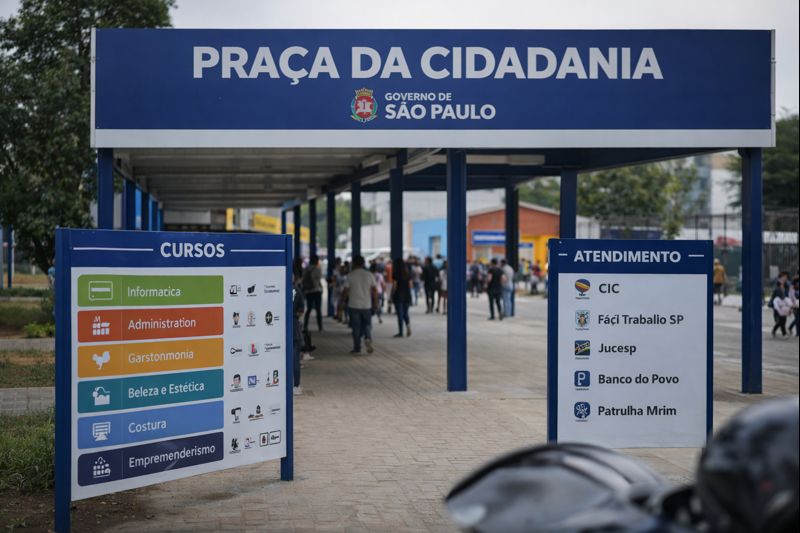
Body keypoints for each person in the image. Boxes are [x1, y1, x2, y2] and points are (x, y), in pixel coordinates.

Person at [342, 255, 377, 354]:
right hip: (366, 305)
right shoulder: (369, 275)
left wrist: (342, 301)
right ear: (363, 263)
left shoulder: (350, 275)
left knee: (356, 327)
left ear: (354, 263)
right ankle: (368, 338)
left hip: (353, 305)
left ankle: (357, 347)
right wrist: (376, 303)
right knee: (367, 324)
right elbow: (374, 291)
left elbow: (345, 290)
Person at [391, 258, 412, 337]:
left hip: (398, 296)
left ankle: (401, 332)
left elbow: (394, 286)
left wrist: (391, 295)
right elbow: (410, 285)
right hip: (407, 295)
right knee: (405, 313)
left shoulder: (395, 274)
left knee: (400, 314)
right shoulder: (407, 274)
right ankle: (408, 326)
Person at [302, 255, 323, 332]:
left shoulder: (306, 269)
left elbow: (303, 279)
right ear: (317, 261)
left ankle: (305, 326)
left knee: (308, 309)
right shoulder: (318, 269)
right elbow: (319, 279)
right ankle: (320, 327)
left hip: (308, 291)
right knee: (318, 310)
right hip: (316, 291)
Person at [769, 271, 790, 338]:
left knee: (783, 320)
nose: (785, 278)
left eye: (786, 277)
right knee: (780, 320)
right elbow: (774, 297)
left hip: (784, 306)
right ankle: (784, 334)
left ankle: (774, 330)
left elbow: (787, 296)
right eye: (784, 277)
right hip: (777, 306)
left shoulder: (787, 286)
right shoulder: (776, 286)